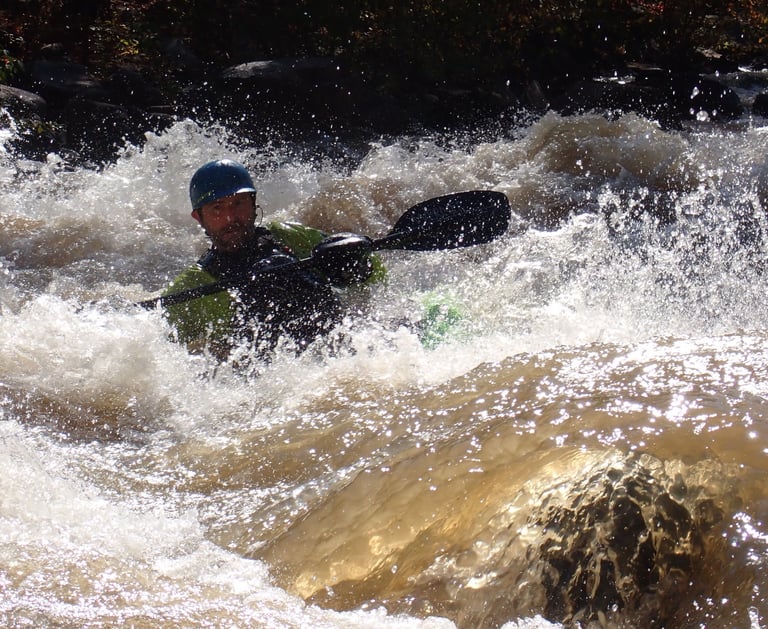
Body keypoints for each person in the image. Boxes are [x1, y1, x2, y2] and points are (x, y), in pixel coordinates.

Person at [162, 159, 383, 362]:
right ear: (199, 217)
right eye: (217, 208)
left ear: (253, 202)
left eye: (238, 203)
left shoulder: (291, 237)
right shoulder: (191, 288)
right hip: (267, 372)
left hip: (336, 351)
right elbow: (165, 358)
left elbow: (377, 277)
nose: (230, 217)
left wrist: (358, 268)